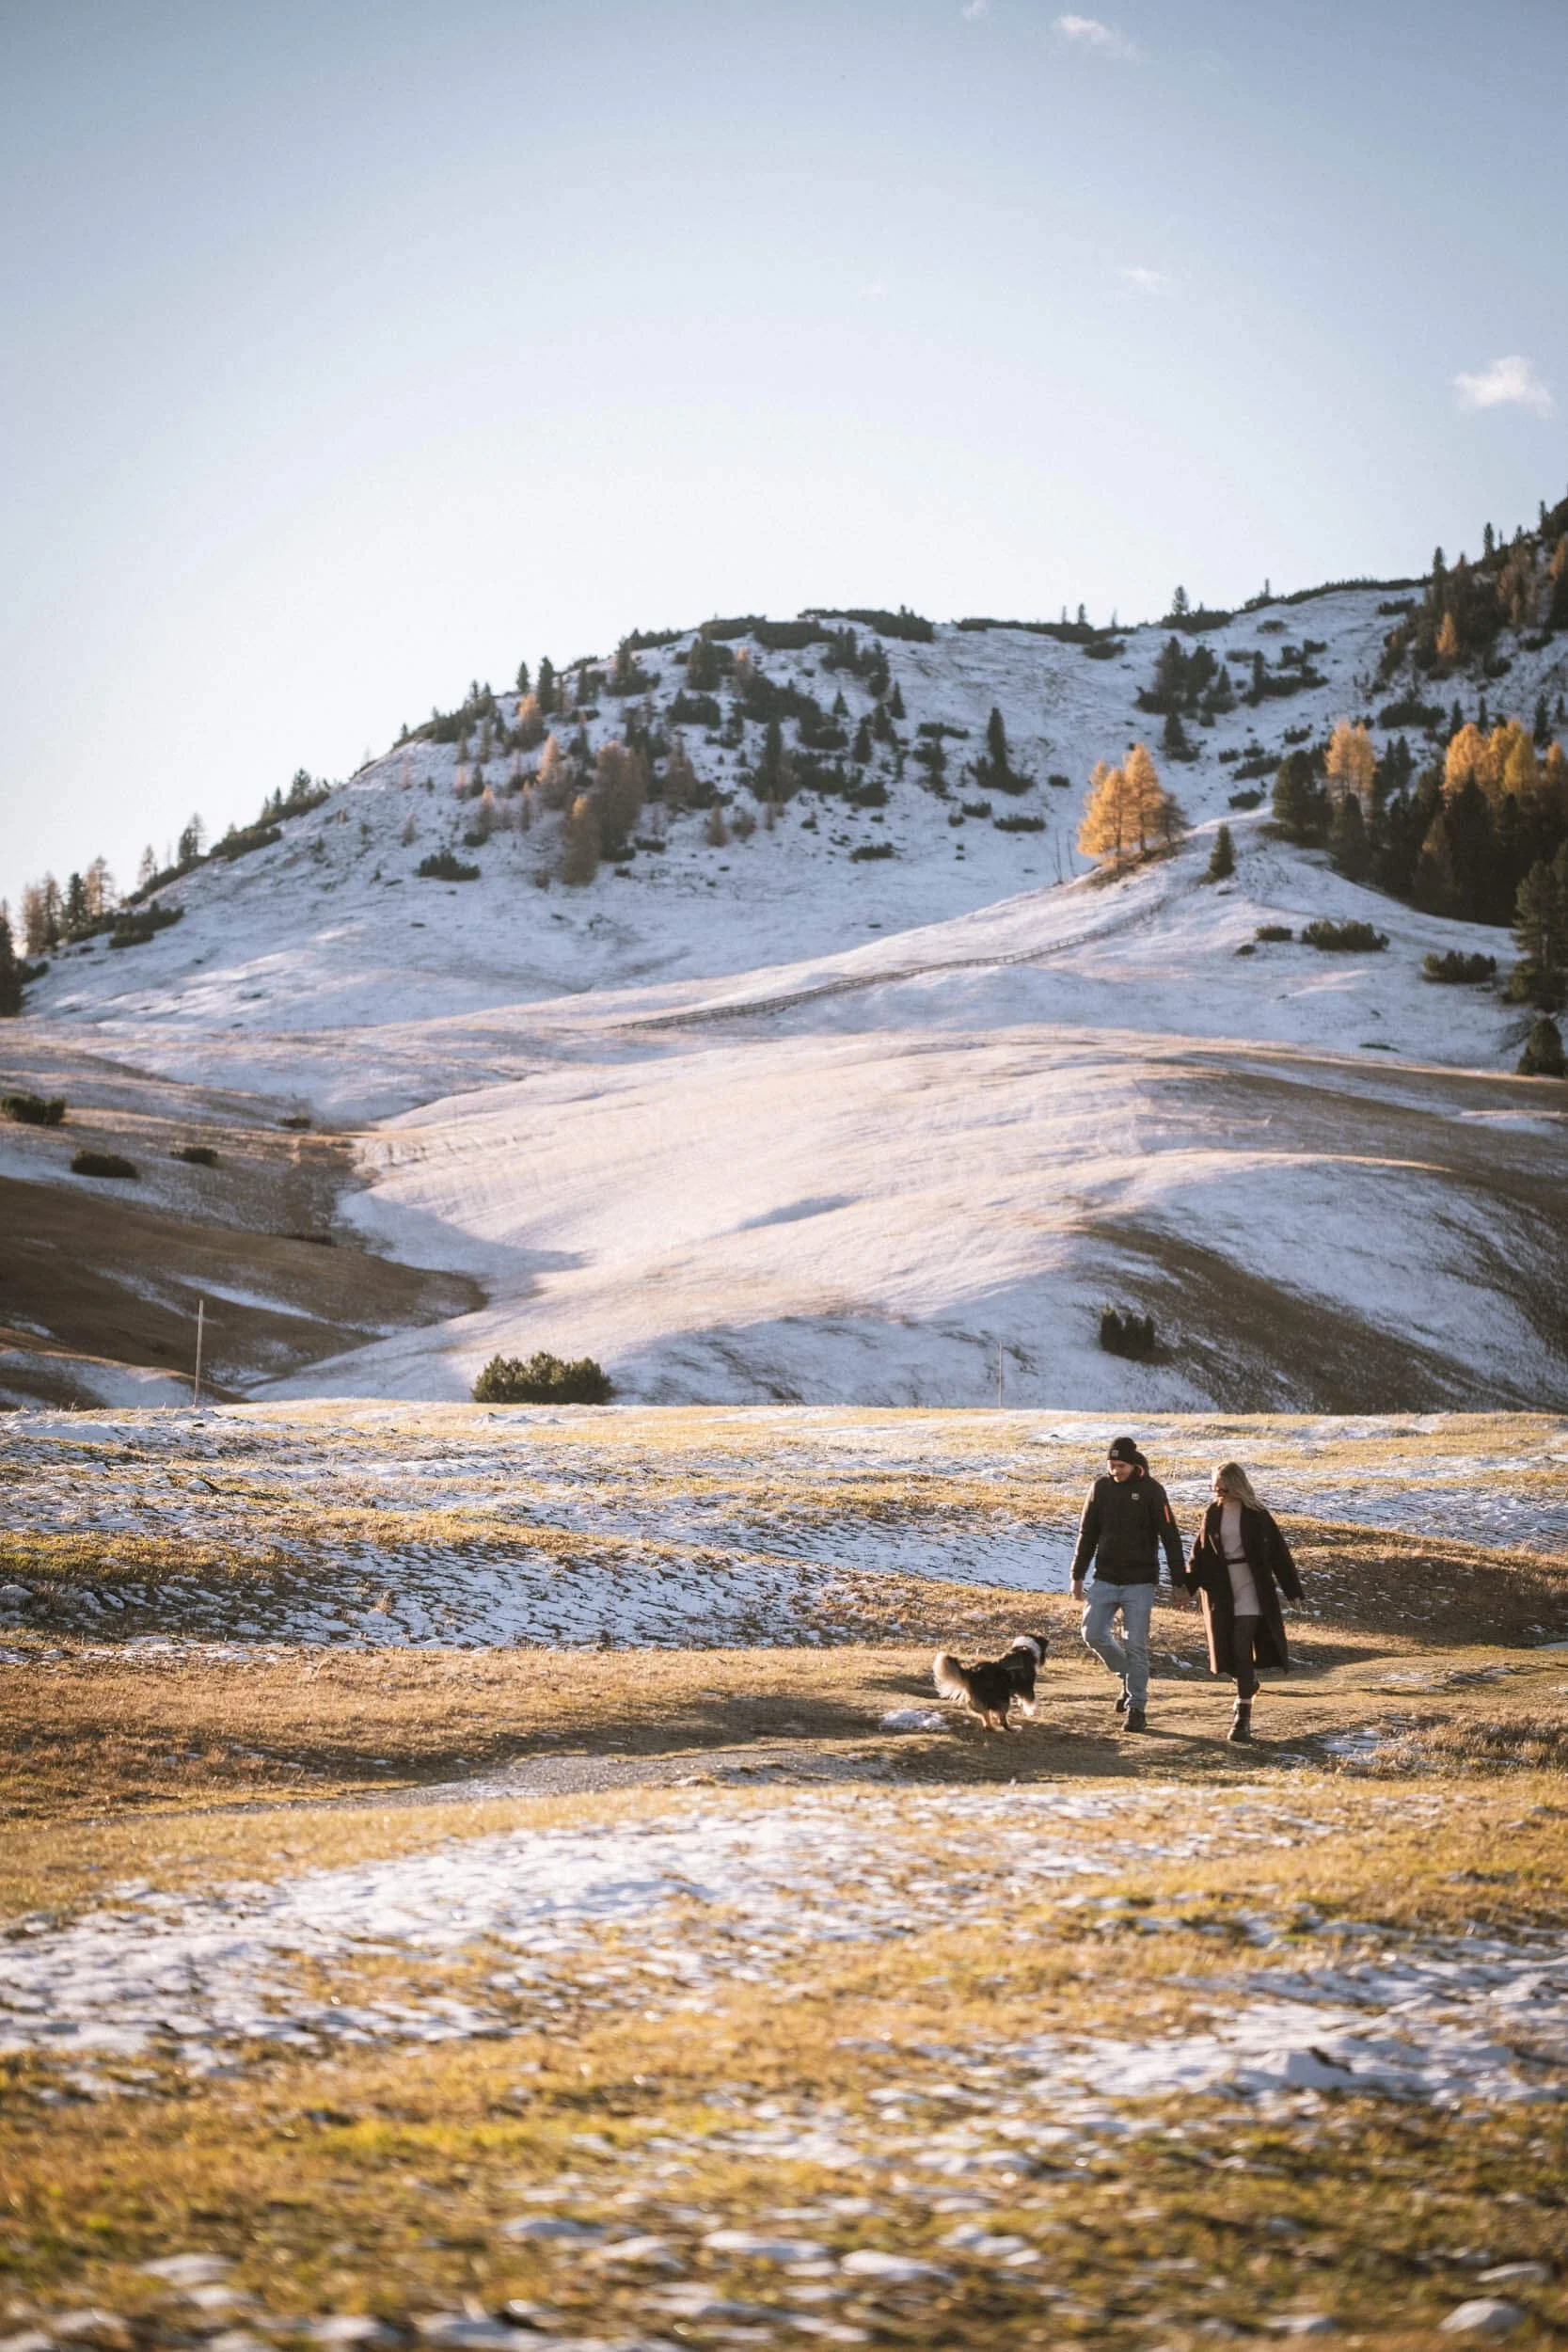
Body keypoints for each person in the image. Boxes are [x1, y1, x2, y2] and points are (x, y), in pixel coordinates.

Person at [1070, 1436, 1185, 1733]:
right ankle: (1126, 1675)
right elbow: (1087, 1534)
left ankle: (1137, 1708)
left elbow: (1170, 1537)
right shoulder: (1100, 1488)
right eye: (1111, 1465)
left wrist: (1178, 1582)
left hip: (1140, 1582)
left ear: (1134, 1465)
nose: (1115, 1471)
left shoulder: (1152, 1491)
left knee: (1136, 1644)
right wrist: (1077, 1575)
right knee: (1092, 1633)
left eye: (1120, 1466)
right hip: (1105, 1578)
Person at [1182, 1460, 1303, 1743]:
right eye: (1214, 1488)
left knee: (1241, 1642)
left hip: (1251, 1584)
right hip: (1221, 1587)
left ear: (1236, 1485)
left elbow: (1279, 1554)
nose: (1217, 1492)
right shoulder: (1212, 1513)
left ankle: (1242, 1716)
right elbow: (1198, 1553)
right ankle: (1248, 1684)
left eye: (1222, 1488)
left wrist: (1292, 1590)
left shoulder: (1257, 1515)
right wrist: (1186, 1587)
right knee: (1225, 1649)